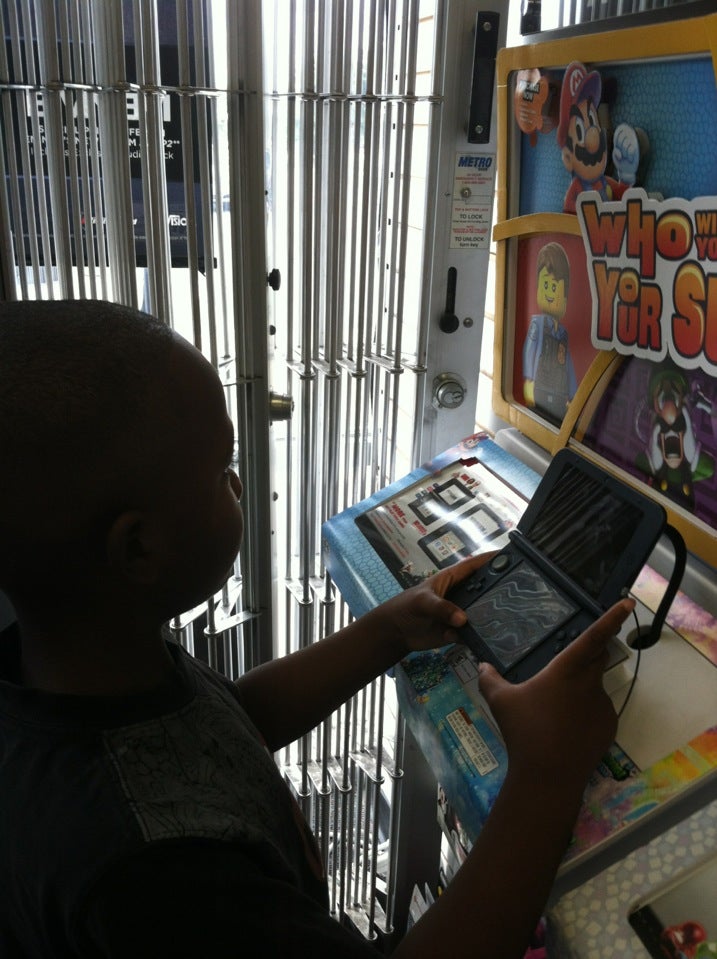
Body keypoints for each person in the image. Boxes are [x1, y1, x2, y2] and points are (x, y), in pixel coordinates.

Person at [0, 299, 633, 958]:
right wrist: (546, 774)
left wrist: (389, 630)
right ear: (139, 548)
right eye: (221, 470)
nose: (237, 484)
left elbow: (230, 721)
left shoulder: (79, 666)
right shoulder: (162, 880)